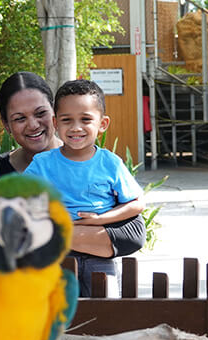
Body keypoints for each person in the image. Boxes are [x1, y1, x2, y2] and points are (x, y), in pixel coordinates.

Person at [0, 73, 146, 297]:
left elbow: (133, 231)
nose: (33, 124)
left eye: (40, 113)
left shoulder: (107, 163)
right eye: (19, 118)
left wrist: (96, 220)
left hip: (98, 264)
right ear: (7, 125)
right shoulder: (37, 166)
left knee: (105, 316)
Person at [23, 79, 145, 297]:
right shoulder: (43, 163)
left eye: (86, 119)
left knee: (105, 311)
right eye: (67, 120)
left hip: (99, 253)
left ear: (103, 124)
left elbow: (137, 203)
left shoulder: (110, 163)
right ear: (55, 123)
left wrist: (101, 219)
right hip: (56, 256)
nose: (76, 127)